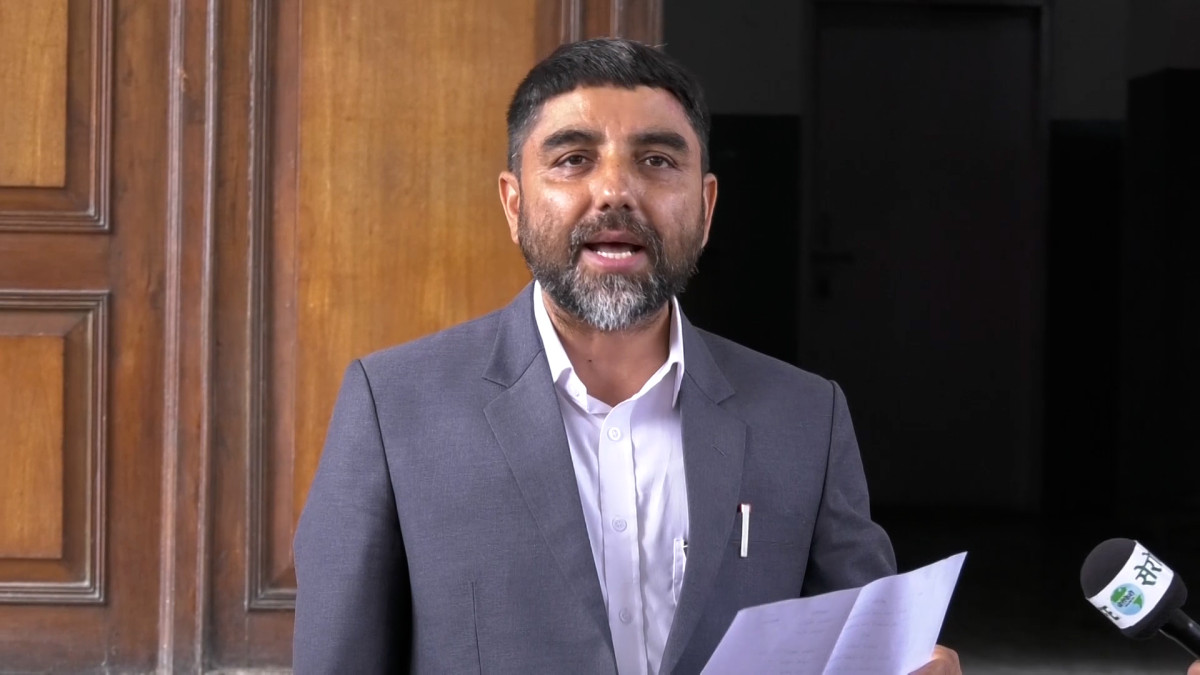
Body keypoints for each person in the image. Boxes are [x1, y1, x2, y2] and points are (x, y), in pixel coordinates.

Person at [293, 38, 960, 674]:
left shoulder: (806, 419)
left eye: (657, 161)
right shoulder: (394, 408)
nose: (615, 191)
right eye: (573, 159)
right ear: (514, 203)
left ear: (705, 208)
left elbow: (868, 648)